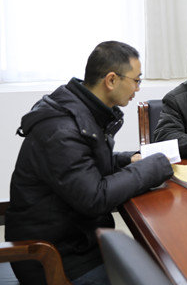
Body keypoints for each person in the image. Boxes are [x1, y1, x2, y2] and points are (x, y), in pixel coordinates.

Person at [5, 41, 174, 285]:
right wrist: (152, 167)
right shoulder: (62, 130)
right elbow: (95, 197)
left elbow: (85, 165)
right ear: (111, 80)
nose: (138, 88)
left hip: (77, 240)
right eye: (136, 80)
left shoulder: (81, 110)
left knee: (159, 264)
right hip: (55, 259)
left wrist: (128, 159)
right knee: (158, 275)